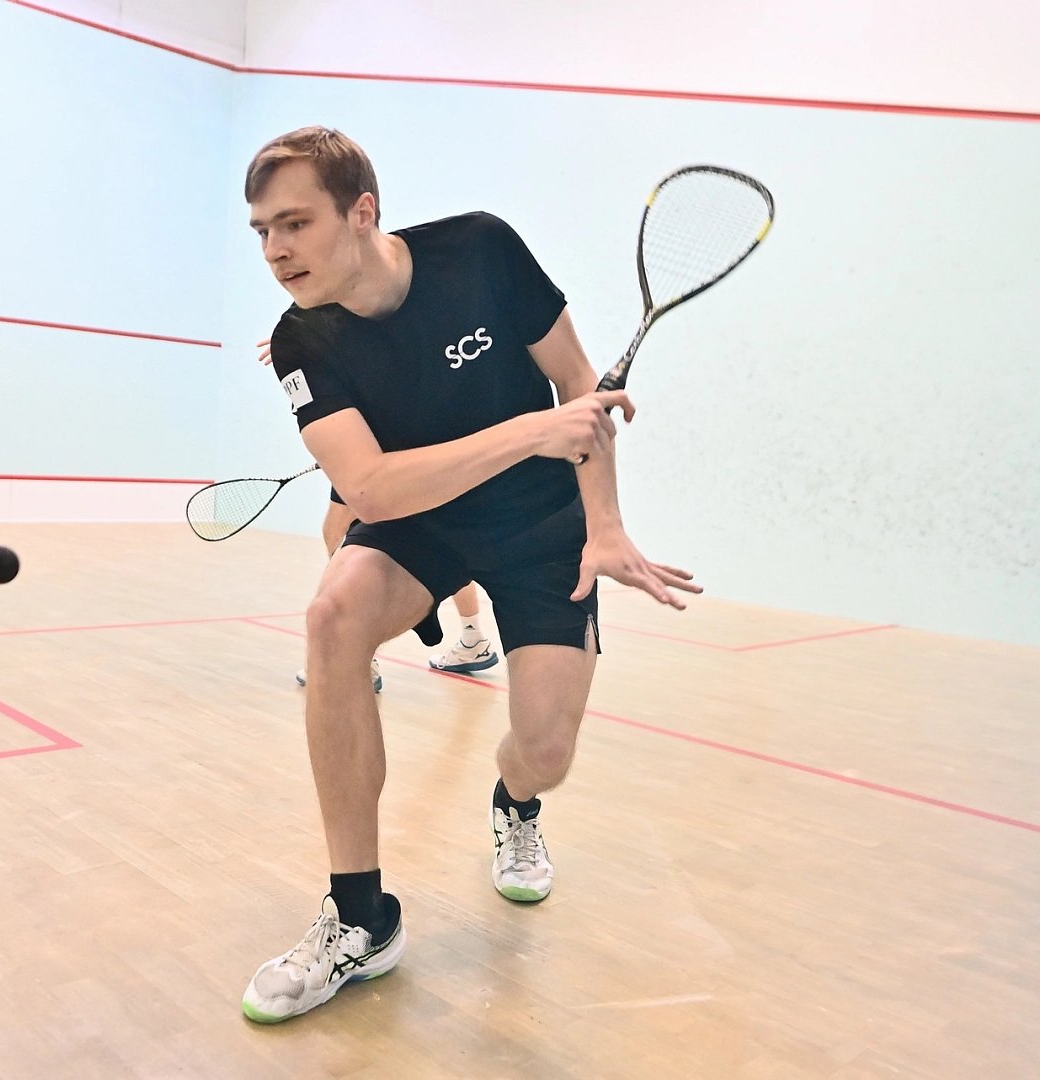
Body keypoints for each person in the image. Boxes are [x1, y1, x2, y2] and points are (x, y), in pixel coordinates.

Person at [237, 127, 700, 1024]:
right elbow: (371, 486)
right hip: (419, 520)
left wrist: (605, 526)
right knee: (333, 615)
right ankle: (359, 916)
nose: (275, 251)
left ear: (361, 212)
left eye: (294, 223)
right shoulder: (301, 341)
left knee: (546, 752)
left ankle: (514, 804)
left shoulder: (483, 250)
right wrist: (528, 433)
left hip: (541, 528)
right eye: (261, 231)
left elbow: (579, 387)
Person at [261, 337, 501, 682]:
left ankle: (357, 653)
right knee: (442, 538)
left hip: (389, 454)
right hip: (403, 447)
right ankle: (473, 635)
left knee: (339, 531)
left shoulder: (363, 334)